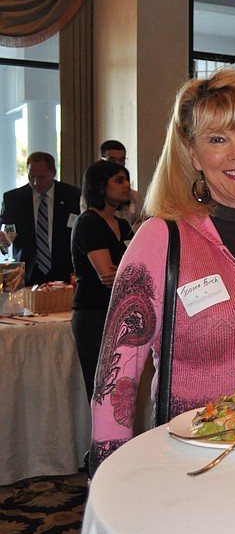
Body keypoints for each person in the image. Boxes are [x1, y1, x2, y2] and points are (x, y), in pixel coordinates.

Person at [89, 69, 235, 474]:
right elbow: (116, 379)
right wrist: (107, 475)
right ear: (193, 154)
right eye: (217, 139)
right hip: (194, 466)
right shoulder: (161, 238)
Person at [71, 160, 134, 400]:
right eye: (119, 180)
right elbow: (106, 274)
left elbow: (138, 268)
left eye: (126, 179)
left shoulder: (123, 224)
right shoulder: (89, 222)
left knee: (120, 388)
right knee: (101, 388)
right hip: (93, 314)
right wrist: (129, 276)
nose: (126, 185)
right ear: (99, 186)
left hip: (118, 312)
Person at [0, 152, 81, 286]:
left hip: (64, 271)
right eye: (32, 177)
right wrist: (3, 241)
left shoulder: (73, 195)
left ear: (53, 173)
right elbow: (4, 229)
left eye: (42, 177)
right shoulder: (13, 199)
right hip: (25, 273)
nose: (36, 182)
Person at [99, 140, 144, 230]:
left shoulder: (134, 196)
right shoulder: (92, 196)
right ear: (101, 161)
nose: (118, 164)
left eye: (121, 160)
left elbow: (142, 225)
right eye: (112, 160)